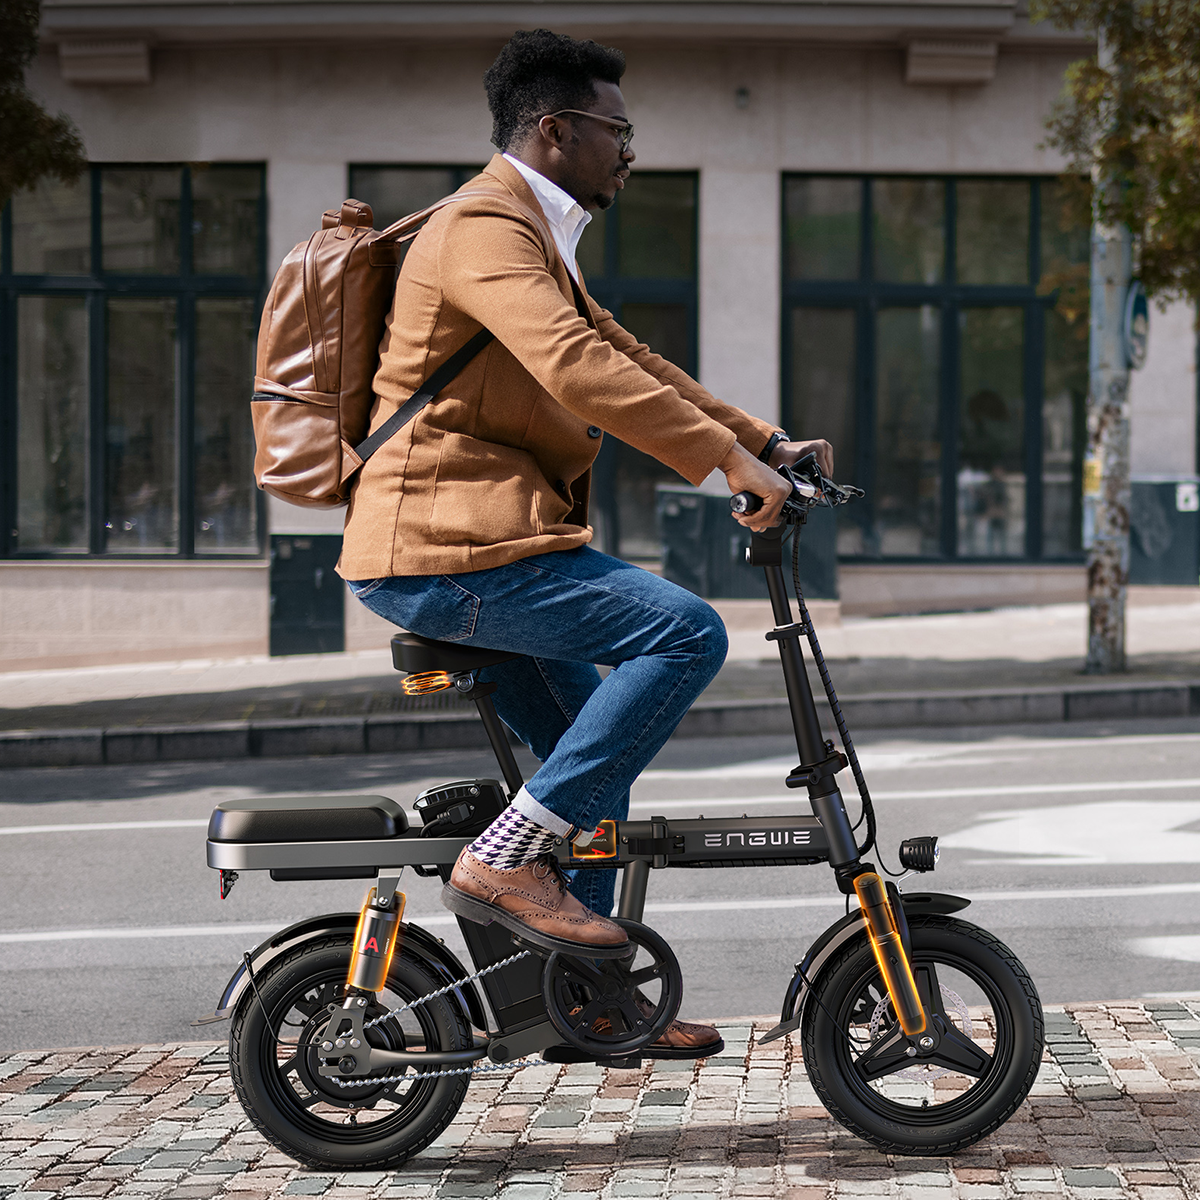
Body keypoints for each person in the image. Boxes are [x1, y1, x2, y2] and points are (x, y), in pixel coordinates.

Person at [339, 28, 832, 1055]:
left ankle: (589, 1006)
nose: (629, 151)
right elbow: (571, 365)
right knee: (683, 634)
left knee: (586, 771)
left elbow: (625, 354)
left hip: (485, 543)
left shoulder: (530, 231)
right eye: (619, 131)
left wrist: (762, 441)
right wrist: (723, 467)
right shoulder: (484, 227)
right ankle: (503, 864)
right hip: (447, 548)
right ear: (556, 131)